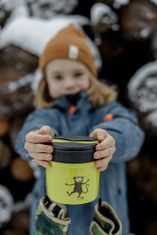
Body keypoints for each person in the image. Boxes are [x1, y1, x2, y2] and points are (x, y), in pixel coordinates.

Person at [15, 24, 144, 235]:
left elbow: (129, 131)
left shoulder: (108, 111)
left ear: (91, 76)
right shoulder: (47, 115)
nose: (69, 84)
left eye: (77, 73)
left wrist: (112, 138)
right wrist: (34, 141)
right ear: (45, 82)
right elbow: (29, 132)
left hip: (105, 224)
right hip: (53, 226)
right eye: (58, 77)